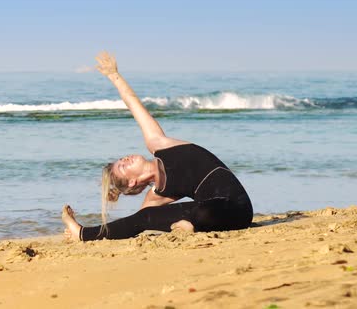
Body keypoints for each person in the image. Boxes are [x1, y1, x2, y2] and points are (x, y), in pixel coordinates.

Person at [62, 51, 253, 241]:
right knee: (151, 216)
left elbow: (135, 106)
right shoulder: (157, 196)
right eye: (123, 166)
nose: (125, 159)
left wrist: (114, 75)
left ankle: (189, 224)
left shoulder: (159, 144)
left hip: (237, 208)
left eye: (121, 159)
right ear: (132, 183)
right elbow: (134, 223)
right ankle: (81, 233)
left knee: (207, 209)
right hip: (207, 215)